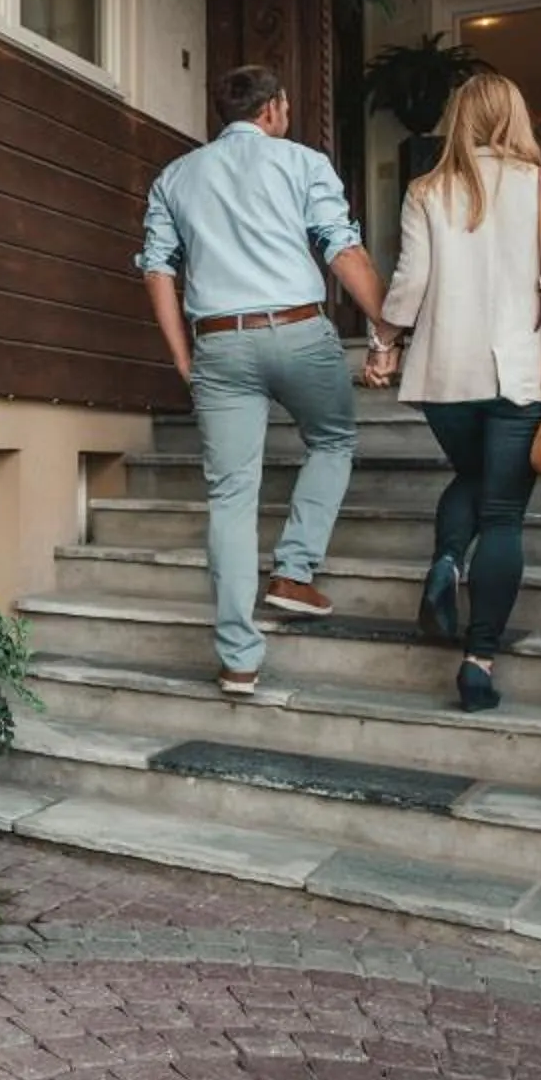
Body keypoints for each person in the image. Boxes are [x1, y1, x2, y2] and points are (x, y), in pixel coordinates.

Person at [138, 65, 394, 696]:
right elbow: (342, 250)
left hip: (218, 341)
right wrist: (387, 332)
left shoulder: (175, 176)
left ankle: (238, 660)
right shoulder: (303, 163)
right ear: (274, 108)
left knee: (230, 497)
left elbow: (157, 270)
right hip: (299, 329)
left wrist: (183, 358)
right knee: (333, 440)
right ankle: (294, 572)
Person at [368, 72, 541, 713]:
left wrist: (383, 341)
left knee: (473, 476)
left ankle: (446, 564)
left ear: (459, 119)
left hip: (447, 377)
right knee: (502, 514)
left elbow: (409, 285)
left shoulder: (427, 189)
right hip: (524, 375)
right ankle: (478, 661)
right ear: (515, 117)